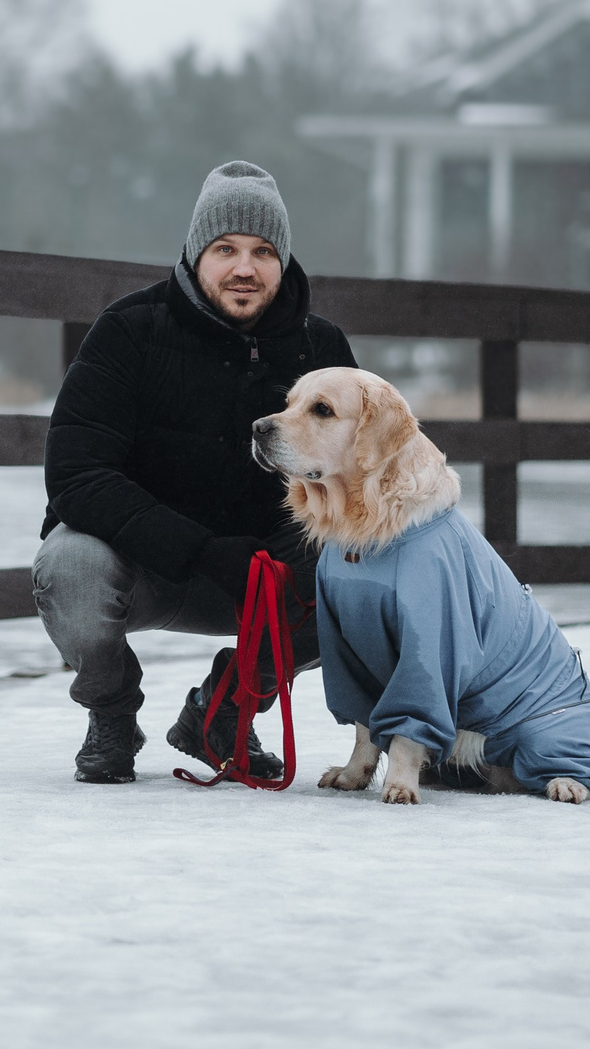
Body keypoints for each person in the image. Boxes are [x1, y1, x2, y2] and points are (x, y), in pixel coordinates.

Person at [37, 161, 359, 782]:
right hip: (142, 566)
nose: (245, 268)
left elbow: (351, 484)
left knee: (354, 579)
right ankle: (111, 715)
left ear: (283, 260)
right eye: (226, 248)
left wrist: (281, 562)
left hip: (266, 579)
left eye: (264, 251)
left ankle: (223, 713)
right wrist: (201, 550)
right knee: (68, 564)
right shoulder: (128, 331)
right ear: (195, 253)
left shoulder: (322, 351)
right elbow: (77, 474)